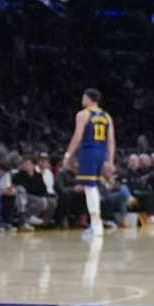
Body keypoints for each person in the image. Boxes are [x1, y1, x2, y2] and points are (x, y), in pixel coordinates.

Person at [61, 88, 116, 237]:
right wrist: (110, 160)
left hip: (89, 151)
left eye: (83, 97)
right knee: (92, 187)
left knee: (89, 188)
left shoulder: (83, 114)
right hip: (101, 152)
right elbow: (111, 141)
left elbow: (78, 135)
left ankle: (96, 226)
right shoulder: (107, 116)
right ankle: (96, 224)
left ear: (88, 99)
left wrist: (68, 154)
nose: (82, 100)